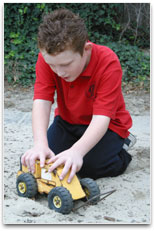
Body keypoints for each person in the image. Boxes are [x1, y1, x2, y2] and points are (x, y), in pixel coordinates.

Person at [21, 8, 136, 183]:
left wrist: (76, 151)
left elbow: (102, 117)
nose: (59, 72)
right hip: (67, 122)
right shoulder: (48, 59)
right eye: (53, 65)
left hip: (109, 126)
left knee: (88, 167)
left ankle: (122, 149)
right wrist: (40, 144)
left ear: (86, 49)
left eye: (66, 64)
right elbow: (42, 101)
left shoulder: (108, 62)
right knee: (42, 161)